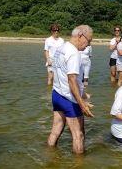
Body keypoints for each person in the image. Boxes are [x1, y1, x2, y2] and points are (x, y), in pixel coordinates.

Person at [47, 25, 94, 154]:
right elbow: (71, 80)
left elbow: (61, 74)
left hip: (57, 95)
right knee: (78, 135)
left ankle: (49, 157)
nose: (88, 45)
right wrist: (82, 104)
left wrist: (83, 94)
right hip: (70, 100)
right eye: (88, 41)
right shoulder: (74, 53)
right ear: (80, 36)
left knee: (55, 131)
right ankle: (79, 164)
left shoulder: (61, 48)